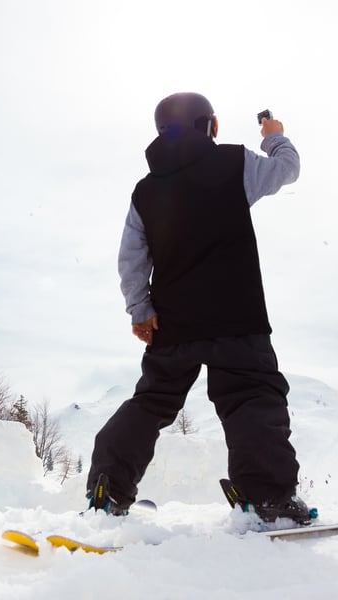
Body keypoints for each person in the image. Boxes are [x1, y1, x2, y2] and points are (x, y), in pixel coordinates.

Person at [85, 92, 311, 524]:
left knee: (151, 402)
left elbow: (131, 258)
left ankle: (107, 490)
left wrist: (140, 309)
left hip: (173, 324)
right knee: (251, 397)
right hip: (237, 317)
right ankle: (268, 499)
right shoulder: (233, 163)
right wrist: (275, 137)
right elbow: (287, 169)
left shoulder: (145, 192)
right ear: (210, 126)